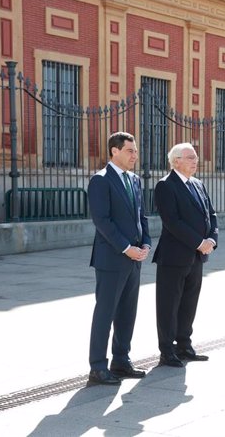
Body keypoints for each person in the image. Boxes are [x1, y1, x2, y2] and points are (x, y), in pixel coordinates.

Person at [87, 131, 151, 385]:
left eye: (135, 151)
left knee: (127, 311)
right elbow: (102, 220)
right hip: (112, 258)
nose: (135, 155)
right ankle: (98, 366)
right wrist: (126, 247)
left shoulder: (134, 180)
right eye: (130, 151)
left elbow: (141, 216)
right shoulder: (100, 180)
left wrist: (145, 242)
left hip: (135, 256)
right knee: (106, 312)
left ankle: (121, 360)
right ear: (114, 151)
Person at [152, 143, 218, 367]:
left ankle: (184, 345)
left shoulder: (198, 184)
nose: (195, 160)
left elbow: (211, 213)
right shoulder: (165, 186)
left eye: (196, 157)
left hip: (198, 256)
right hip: (174, 256)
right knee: (169, 305)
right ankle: (167, 350)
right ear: (176, 161)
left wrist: (212, 239)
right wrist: (200, 242)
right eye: (190, 157)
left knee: (189, 302)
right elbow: (172, 222)